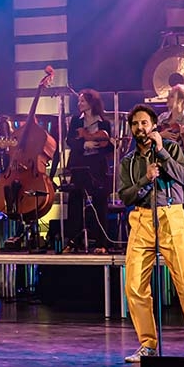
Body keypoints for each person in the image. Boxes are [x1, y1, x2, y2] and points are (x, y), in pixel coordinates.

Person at [119, 104, 184, 361]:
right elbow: (125, 195)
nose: (140, 128)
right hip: (141, 219)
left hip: (171, 216)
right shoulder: (128, 161)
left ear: (153, 125)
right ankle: (148, 345)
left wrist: (161, 152)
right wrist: (145, 180)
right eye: (135, 124)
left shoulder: (171, 148)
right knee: (134, 285)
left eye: (144, 123)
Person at [63, 89, 112, 253]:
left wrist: (108, 144)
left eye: (82, 101)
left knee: (100, 202)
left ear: (91, 103)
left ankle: (101, 243)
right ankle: (73, 241)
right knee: (75, 200)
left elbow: (107, 147)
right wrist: (84, 144)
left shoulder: (104, 124)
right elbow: (70, 140)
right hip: (79, 164)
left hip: (97, 166)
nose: (79, 104)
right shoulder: (76, 121)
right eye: (79, 101)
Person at [160, 84, 184, 164]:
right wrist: (161, 135)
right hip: (162, 162)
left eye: (172, 96)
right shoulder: (162, 118)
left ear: (180, 100)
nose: (167, 98)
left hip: (180, 164)